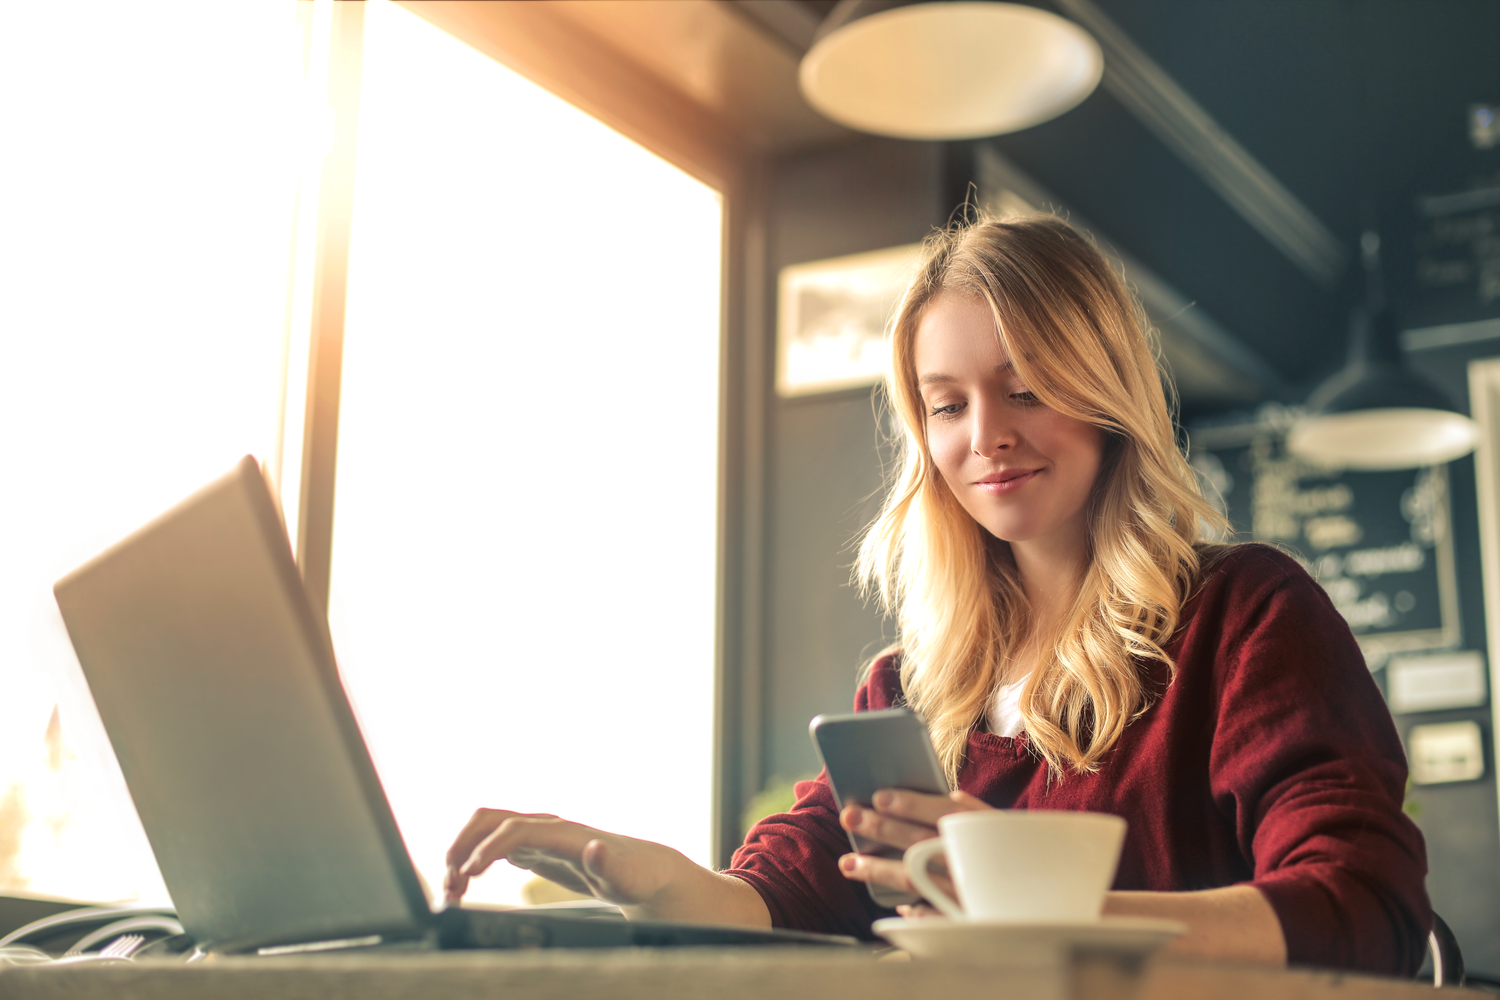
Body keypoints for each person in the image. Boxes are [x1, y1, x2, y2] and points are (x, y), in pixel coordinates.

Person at [442, 215, 1429, 975]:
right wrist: (641, 872)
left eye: (1027, 387)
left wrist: (1037, 903)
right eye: (947, 404)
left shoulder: (1245, 615)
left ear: (1106, 393)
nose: (984, 436)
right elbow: (794, 891)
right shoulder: (911, 684)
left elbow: (1364, 904)